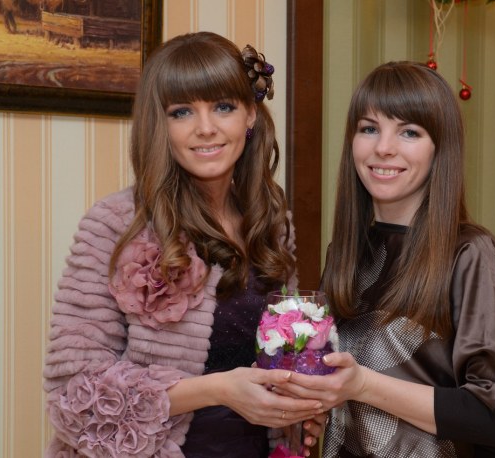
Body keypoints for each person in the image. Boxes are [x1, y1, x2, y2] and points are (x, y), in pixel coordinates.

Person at [43, 32, 325, 457]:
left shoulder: (271, 221)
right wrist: (218, 390)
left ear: (250, 114)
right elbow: (72, 395)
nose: (206, 128)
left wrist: (299, 406)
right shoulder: (116, 224)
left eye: (224, 107)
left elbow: (283, 353)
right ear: (160, 125)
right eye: (182, 112)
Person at [273, 61, 495, 457]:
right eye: (369, 128)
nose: (383, 147)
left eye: (409, 132)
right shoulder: (345, 252)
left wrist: (362, 385)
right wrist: (320, 407)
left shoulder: (468, 253)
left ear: (439, 148)